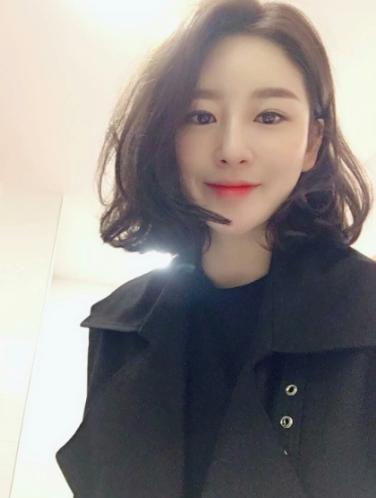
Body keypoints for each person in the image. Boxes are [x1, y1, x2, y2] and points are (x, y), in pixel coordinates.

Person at [56, 0, 376, 497]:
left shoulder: (367, 308)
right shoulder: (118, 326)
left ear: (312, 143)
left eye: (269, 116)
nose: (230, 148)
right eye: (200, 115)